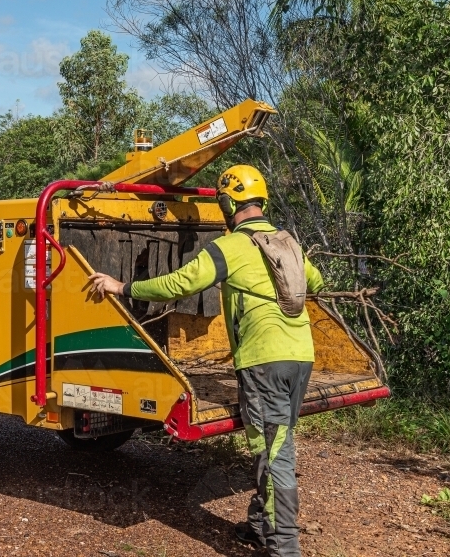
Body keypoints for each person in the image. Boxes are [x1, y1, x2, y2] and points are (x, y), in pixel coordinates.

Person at [88, 165, 324, 557]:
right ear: (261, 202)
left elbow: (180, 283)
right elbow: (315, 283)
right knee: (275, 442)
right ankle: (259, 526)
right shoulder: (288, 242)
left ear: (229, 202)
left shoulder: (230, 246)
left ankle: (285, 549)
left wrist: (123, 285)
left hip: (264, 362)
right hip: (301, 358)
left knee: (274, 452)